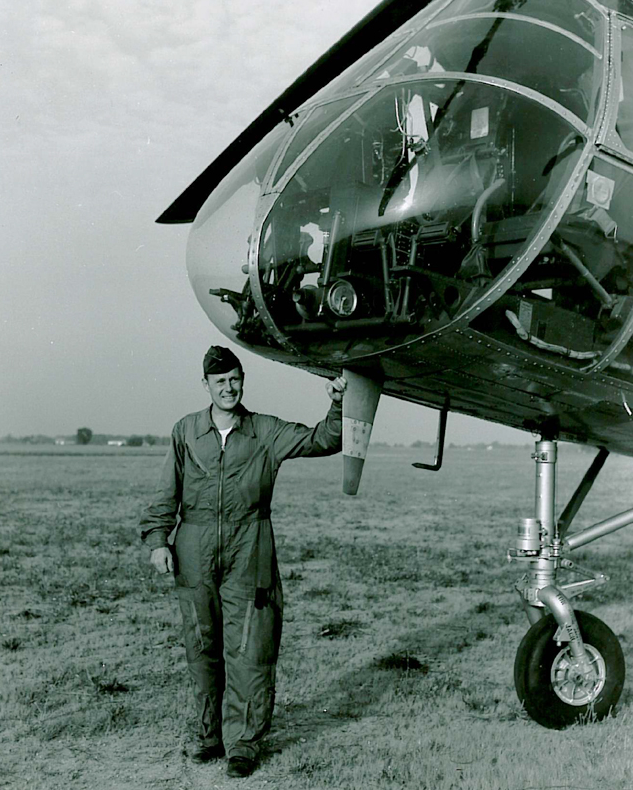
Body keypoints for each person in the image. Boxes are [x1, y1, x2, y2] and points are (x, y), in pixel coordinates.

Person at [140, 345, 346, 778]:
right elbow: (165, 493)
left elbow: (324, 439)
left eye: (234, 379)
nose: (228, 387)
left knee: (251, 648)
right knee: (202, 648)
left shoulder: (265, 431)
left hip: (250, 547)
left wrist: (339, 402)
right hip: (194, 549)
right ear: (206, 386)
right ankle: (208, 736)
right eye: (220, 382)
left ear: (242, 381)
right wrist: (159, 540)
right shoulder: (185, 431)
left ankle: (243, 745)